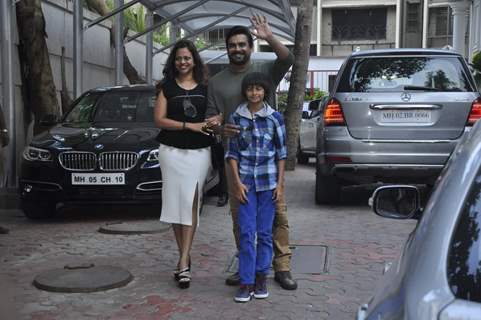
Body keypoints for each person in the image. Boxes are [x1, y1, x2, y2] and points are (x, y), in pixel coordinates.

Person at [205, 15, 297, 290]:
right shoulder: (216, 82)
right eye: (232, 45)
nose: (237, 49)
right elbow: (212, 120)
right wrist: (221, 129)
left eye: (242, 44)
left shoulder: (264, 70)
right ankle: (248, 267)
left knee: (277, 216)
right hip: (236, 163)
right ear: (227, 48)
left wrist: (268, 35)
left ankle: (281, 267)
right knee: (240, 218)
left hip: (267, 162)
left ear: (250, 46)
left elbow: (288, 58)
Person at [154, 39, 212, 289]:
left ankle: (183, 260)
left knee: (190, 202)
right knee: (176, 205)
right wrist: (190, 125)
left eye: (187, 58)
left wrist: (214, 121)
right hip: (171, 152)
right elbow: (159, 120)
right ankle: (184, 260)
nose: (183, 62)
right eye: (179, 58)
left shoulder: (207, 87)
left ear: (194, 60)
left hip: (199, 153)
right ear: (173, 62)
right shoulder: (166, 87)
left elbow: (213, 116)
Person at [226, 72, 287, 302]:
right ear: (245, 91)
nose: (254, 93)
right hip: (246, 186)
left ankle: (261, 277)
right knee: (246, 232)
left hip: (268, 184)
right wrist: (237, 183)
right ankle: (246, 281)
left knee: (264, 233)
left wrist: (279, 185)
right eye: (250, 89)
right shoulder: (236, 117)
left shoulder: (275, 118)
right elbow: (231, 153)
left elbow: (282, 154)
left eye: (258, 89)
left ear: (265, 92)